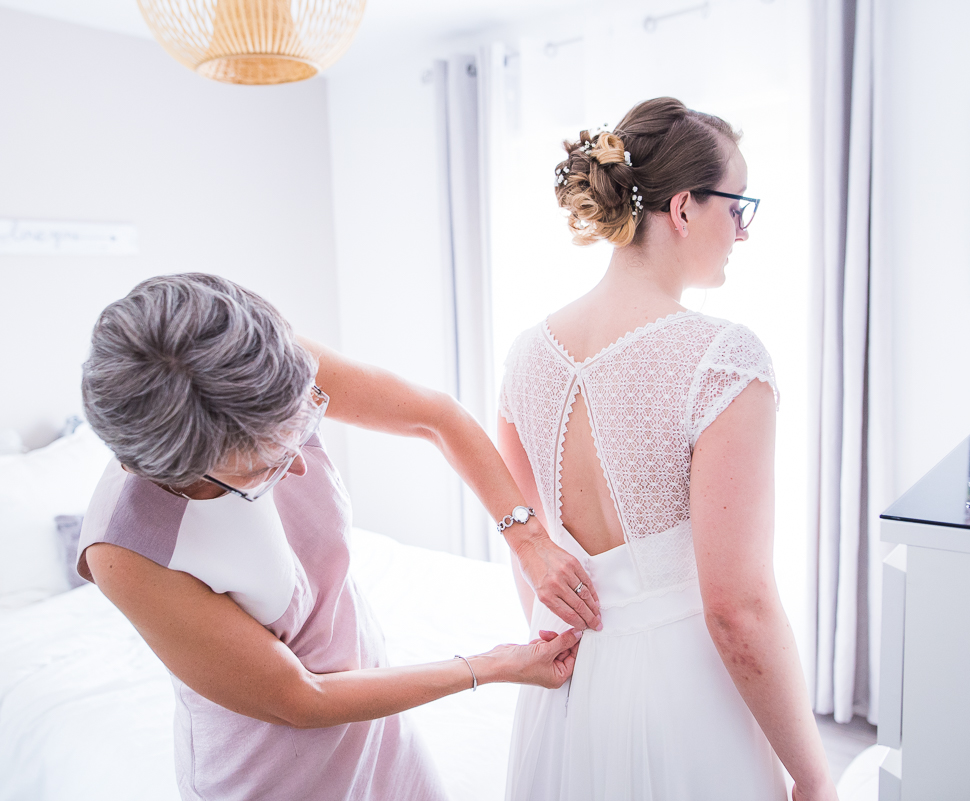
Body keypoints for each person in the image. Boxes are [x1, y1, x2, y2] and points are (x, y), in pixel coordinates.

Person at [75, 273, 602, 801]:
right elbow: (302, 699)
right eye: (265, 467)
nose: (302, 465)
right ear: (182, 474)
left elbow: (435, 417)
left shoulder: (264, 367)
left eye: (299, 424)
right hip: (273, 768)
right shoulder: (126, 549)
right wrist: (491, 666)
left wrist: (528, 538)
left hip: (377, 710)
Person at [497, 98, 837, 801]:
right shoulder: (721, 359)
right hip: (680, 696)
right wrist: (811, 774)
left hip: (564, 682)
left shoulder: (525, 354)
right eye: (737, 206)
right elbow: (737, 605)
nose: (742, 232)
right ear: (683, 208)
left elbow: (529, 556)